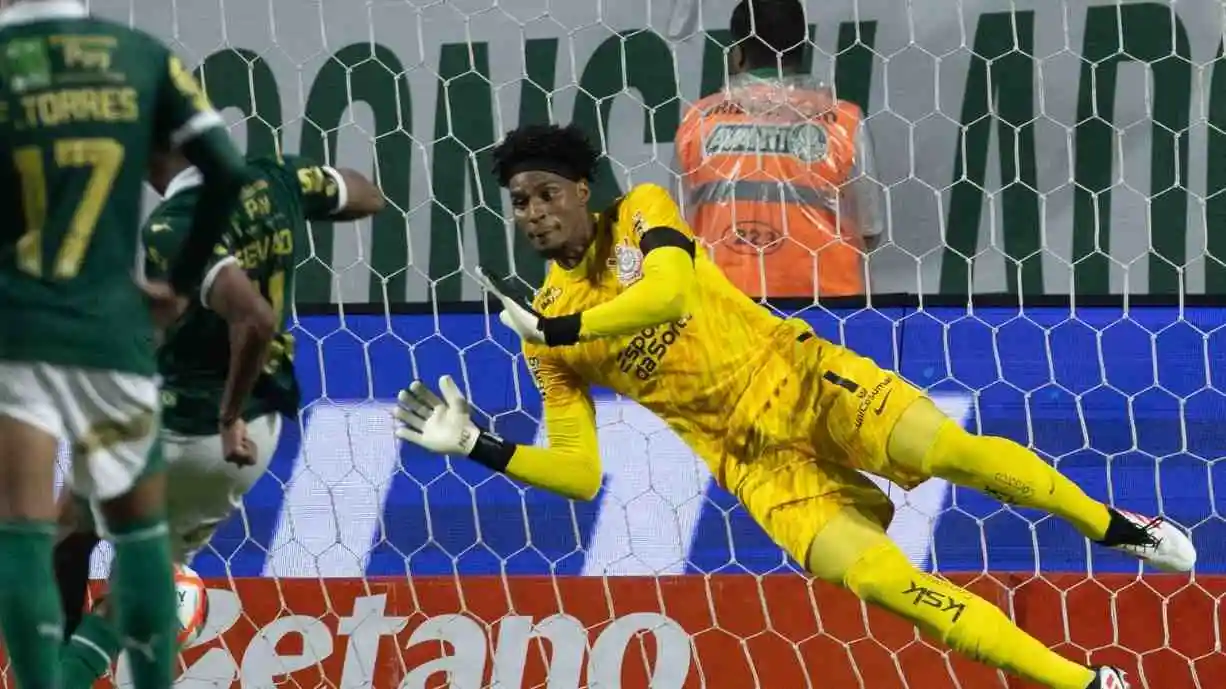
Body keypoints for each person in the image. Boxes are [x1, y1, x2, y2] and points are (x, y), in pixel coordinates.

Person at [393, 123, 1194, 689]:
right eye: (518, 204)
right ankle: (1089, 683)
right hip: (754, 464)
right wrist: (479, 447)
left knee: (954, 453)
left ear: (579, 190)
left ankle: (1121, 528)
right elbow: (578, 471)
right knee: (886, 584)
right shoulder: (544, 333)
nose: (532, 215)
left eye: (543, 194)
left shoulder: (639, 215)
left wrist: (571, 321)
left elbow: (670, 294)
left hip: (805, 379)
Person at [51, 145, 385, 687]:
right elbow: (368, 195)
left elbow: (254, 317)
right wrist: (293, 204)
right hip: (259, 436)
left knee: (67, 529)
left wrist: (228, 413)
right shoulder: (272, 178)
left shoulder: (174, 223)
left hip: (191, 425)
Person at [0, 1, 248, 688]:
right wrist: (177, 281)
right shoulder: (137, 59)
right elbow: (225, 170)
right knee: (130, 531)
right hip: (105, 313)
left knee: (31, 529)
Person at [674, 0, 883, 299]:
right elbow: (870, 229)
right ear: (802, 48)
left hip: (727, 311)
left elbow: (678, 225)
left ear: (738, 54)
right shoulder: (845, 121)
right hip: (827, 311)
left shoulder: (698, 121)